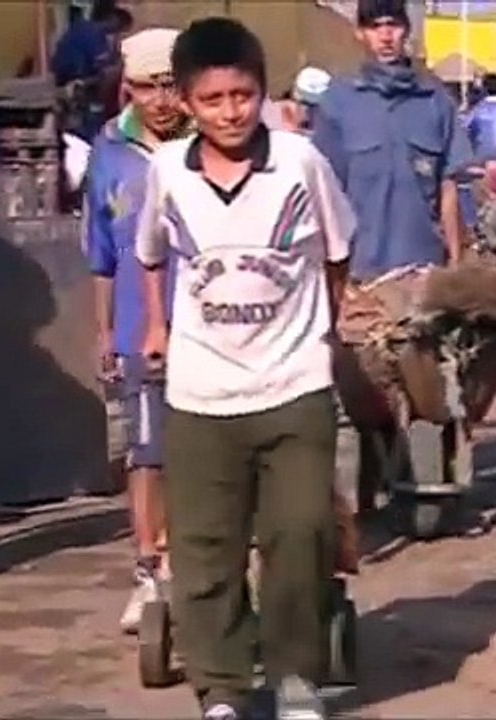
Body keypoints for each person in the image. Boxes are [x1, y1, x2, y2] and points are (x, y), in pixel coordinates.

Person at [136, 17, 354, 720]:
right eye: (213, 99)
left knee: (298, 534)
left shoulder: (299, 162)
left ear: (262, 93)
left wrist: (326, 327)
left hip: (295, 387)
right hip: (201, 394)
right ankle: (223, 687)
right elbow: (149, 257)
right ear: (187, 104)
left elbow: (338, 251)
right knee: (204, 549)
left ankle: (294, 677)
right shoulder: (167, 170)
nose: (230, 112)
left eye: (243, 95)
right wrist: (162, 328)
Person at [84, 26, 191, 635]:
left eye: (170, 85)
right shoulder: (109, 155)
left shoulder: (211, 145)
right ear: (128, 88)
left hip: (207, 330)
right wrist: (103, 334)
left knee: (198, 457)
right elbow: (100, 255)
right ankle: (148, 570)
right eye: (147, 87)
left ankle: (191, 563)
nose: (160, 99)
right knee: (146, 454)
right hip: (135, 331)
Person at [312, 0, 473, 280]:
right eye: (375, 27)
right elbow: (325, 193)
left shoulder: (435, 102)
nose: (385, 36)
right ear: (359, 33)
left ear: (406, 31)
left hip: (425, 269)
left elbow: (449, 190)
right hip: (360, 272)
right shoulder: (338, 102)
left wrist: (456, 267)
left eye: (393, 25)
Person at [51, 0, 130, 86]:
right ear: (115, 21)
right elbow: (102, 65)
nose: (118, 33)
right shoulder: (94, 34)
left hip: (62, 73)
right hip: (73, 78)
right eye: (121, 29)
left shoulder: (82, 26)